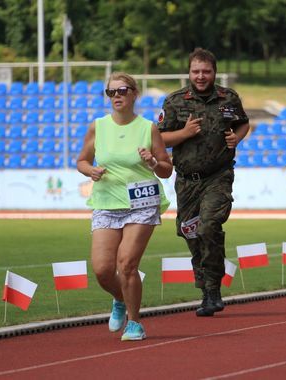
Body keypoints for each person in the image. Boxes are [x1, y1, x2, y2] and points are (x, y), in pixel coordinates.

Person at [77, 72, 173, 340]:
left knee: (127, 264)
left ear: (134, 93)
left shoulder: (148, 128)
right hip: (107, 202)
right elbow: (81, 160)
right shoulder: (98, 126)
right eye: (111, 92)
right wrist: (90, 171)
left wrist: (152, 162)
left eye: (121, 91)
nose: (116, 96)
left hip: (141, 202)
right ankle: (120, 298)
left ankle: (134, 323)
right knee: (102, 270)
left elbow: (166, 169)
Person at [158, 48, 250, 317]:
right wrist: (184, 133)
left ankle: (213, 289)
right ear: (189, 72)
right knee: (191, 234)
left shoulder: (227, 98)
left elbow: (243, 124)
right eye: (196, 71)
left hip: (218, 176)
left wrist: (237, 138)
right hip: (187, 181)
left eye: (206, 71)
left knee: (209, 225)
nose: (200, 76)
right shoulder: (174, 102)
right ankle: (206, 289)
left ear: (214, 73)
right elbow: (160, 139)